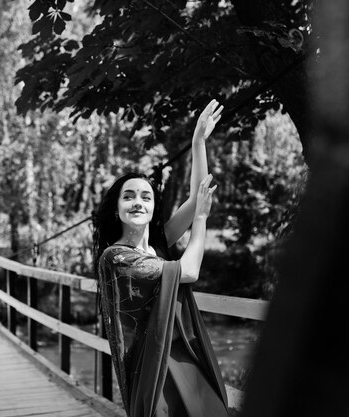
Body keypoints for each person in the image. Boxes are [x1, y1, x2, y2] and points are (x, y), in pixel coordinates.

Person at [93, 100, 228, 417]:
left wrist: (198, 143)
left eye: (146, 196)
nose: (137, 202)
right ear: (117, 209)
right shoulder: (117, 257)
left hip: (185, 354)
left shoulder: (159, 244)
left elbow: (196, 201)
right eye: (129, 196)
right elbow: (189, 271)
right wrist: (202, 220)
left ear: (153, 207)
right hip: (156, 365)